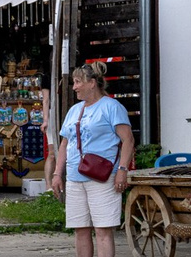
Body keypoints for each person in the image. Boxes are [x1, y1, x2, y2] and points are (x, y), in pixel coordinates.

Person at [51, 64, 135, 257]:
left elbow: (128, 139)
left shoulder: (111, 107)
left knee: (102, 230)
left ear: (92, 83)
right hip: (74, 177)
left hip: (102, 177)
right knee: (80, 229)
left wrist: (122, 169)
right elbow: (65, 143)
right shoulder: (74, 110)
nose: (74, 87)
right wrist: (57, 173)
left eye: (78, 82)